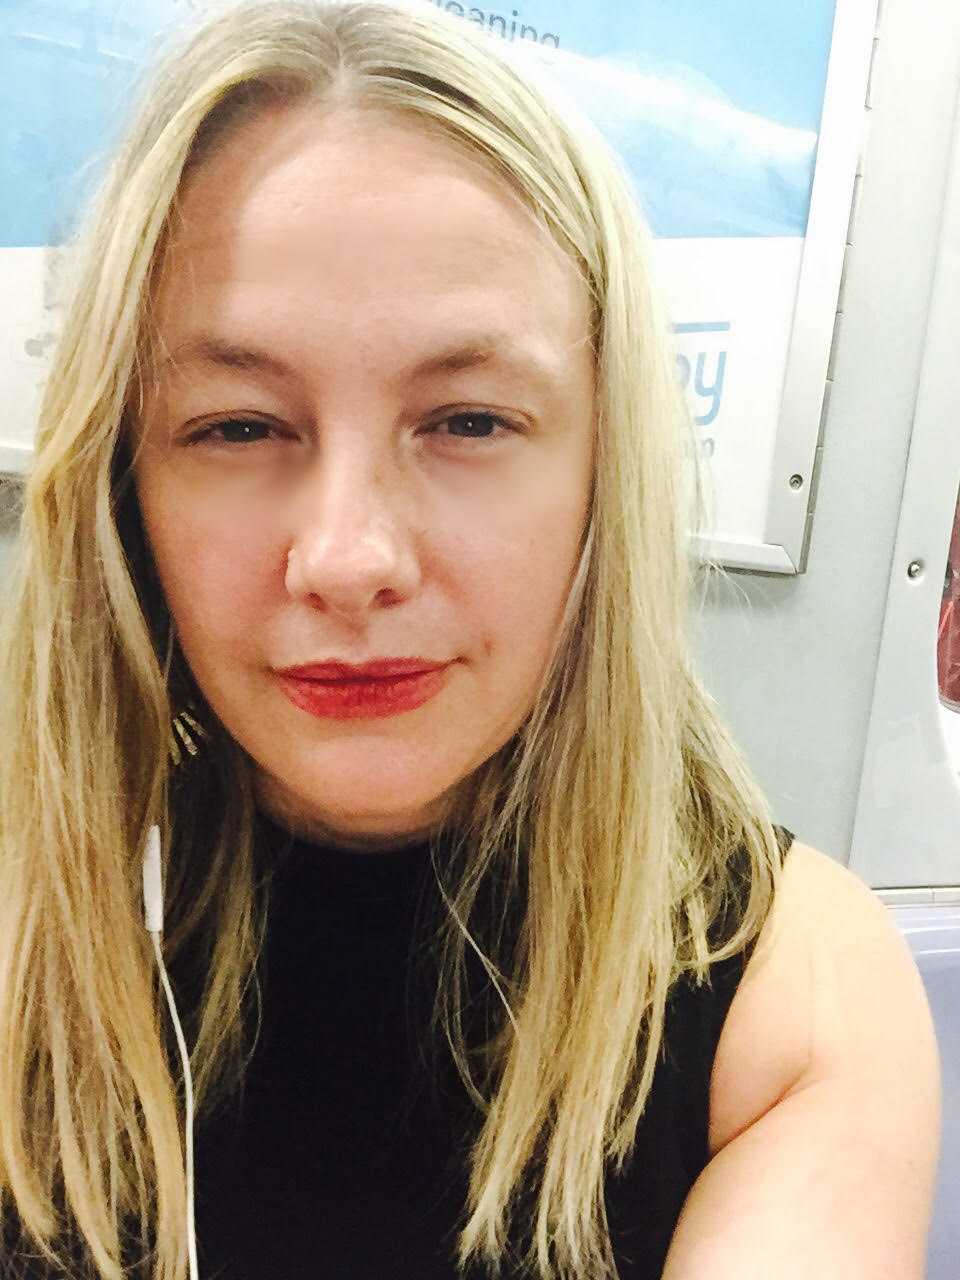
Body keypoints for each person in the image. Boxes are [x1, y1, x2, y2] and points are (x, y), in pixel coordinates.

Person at [0, 2, 940, 1278]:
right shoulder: (24, 936)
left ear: (604, 470)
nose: (348, 559)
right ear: (126, 486)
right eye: (237, 424)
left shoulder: (791, 992)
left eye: (469, 421)